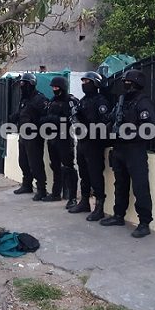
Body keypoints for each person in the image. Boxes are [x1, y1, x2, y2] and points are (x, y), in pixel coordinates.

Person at [100, 69, 155, 238]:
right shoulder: (122, 101)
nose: (125, 85)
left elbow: (149, 128)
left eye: (128, 82)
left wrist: (128, 133)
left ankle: (144, 223)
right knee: (120, 184)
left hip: (135, 150)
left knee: (140, 187)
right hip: (119, 149)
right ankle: (119, 215)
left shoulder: (143, 102)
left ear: (136, 83)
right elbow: (111, 119)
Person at [68, 72, 110, 220]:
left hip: (94, 143)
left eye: (87, 81)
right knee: (83, 173)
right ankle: (84, 201)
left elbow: (104, 123)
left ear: (95, 84)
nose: (84, 84)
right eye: (83, 81)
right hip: (82, 142)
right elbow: (76, 116)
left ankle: (99, 207)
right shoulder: (83, 100)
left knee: (95, 175)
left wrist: (88, 129)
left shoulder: (101, 101)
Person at [40, 76, 79, 209]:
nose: (54, 90)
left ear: (62, 87)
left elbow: (70, 119)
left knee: (68, 167)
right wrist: (48, 120)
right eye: (53, 88)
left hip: (64, 137)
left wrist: (52, 119)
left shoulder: (70, 101)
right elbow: (44, 117)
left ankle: (72, 197)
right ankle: (56, 193)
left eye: (56, 88)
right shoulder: (52, 101)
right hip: (52, 138)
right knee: (55, 166)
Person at [10, 73, 49, 201]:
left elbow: (45, 117)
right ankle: (27, 184)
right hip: (23, 134)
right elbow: (22, 112)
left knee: (35, 163)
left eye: (24, 83)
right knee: (23, 161)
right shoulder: (25, 99)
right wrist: (15, 116)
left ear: (31, 84)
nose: (21, 86)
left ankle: (42, 189)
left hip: (34, 135)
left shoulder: (39, 99)